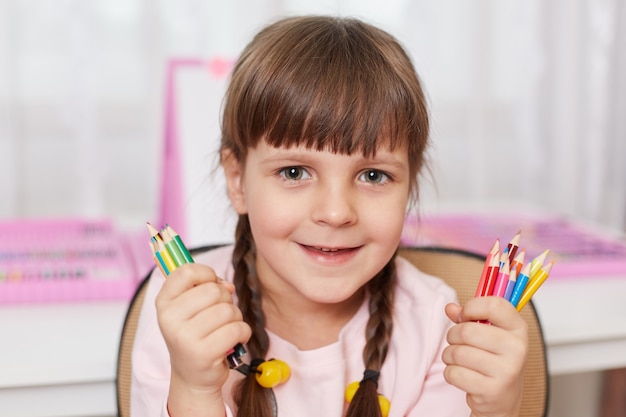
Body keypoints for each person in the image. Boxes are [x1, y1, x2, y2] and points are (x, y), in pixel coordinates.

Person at [132, 15, 528, 417]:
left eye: (373, 175)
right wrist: (194, 389)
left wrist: (498, 409)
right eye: (294, 172)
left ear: (409, 188)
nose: (336, 212)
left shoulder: (433, 324)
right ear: (237, 181)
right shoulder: (183, 308)